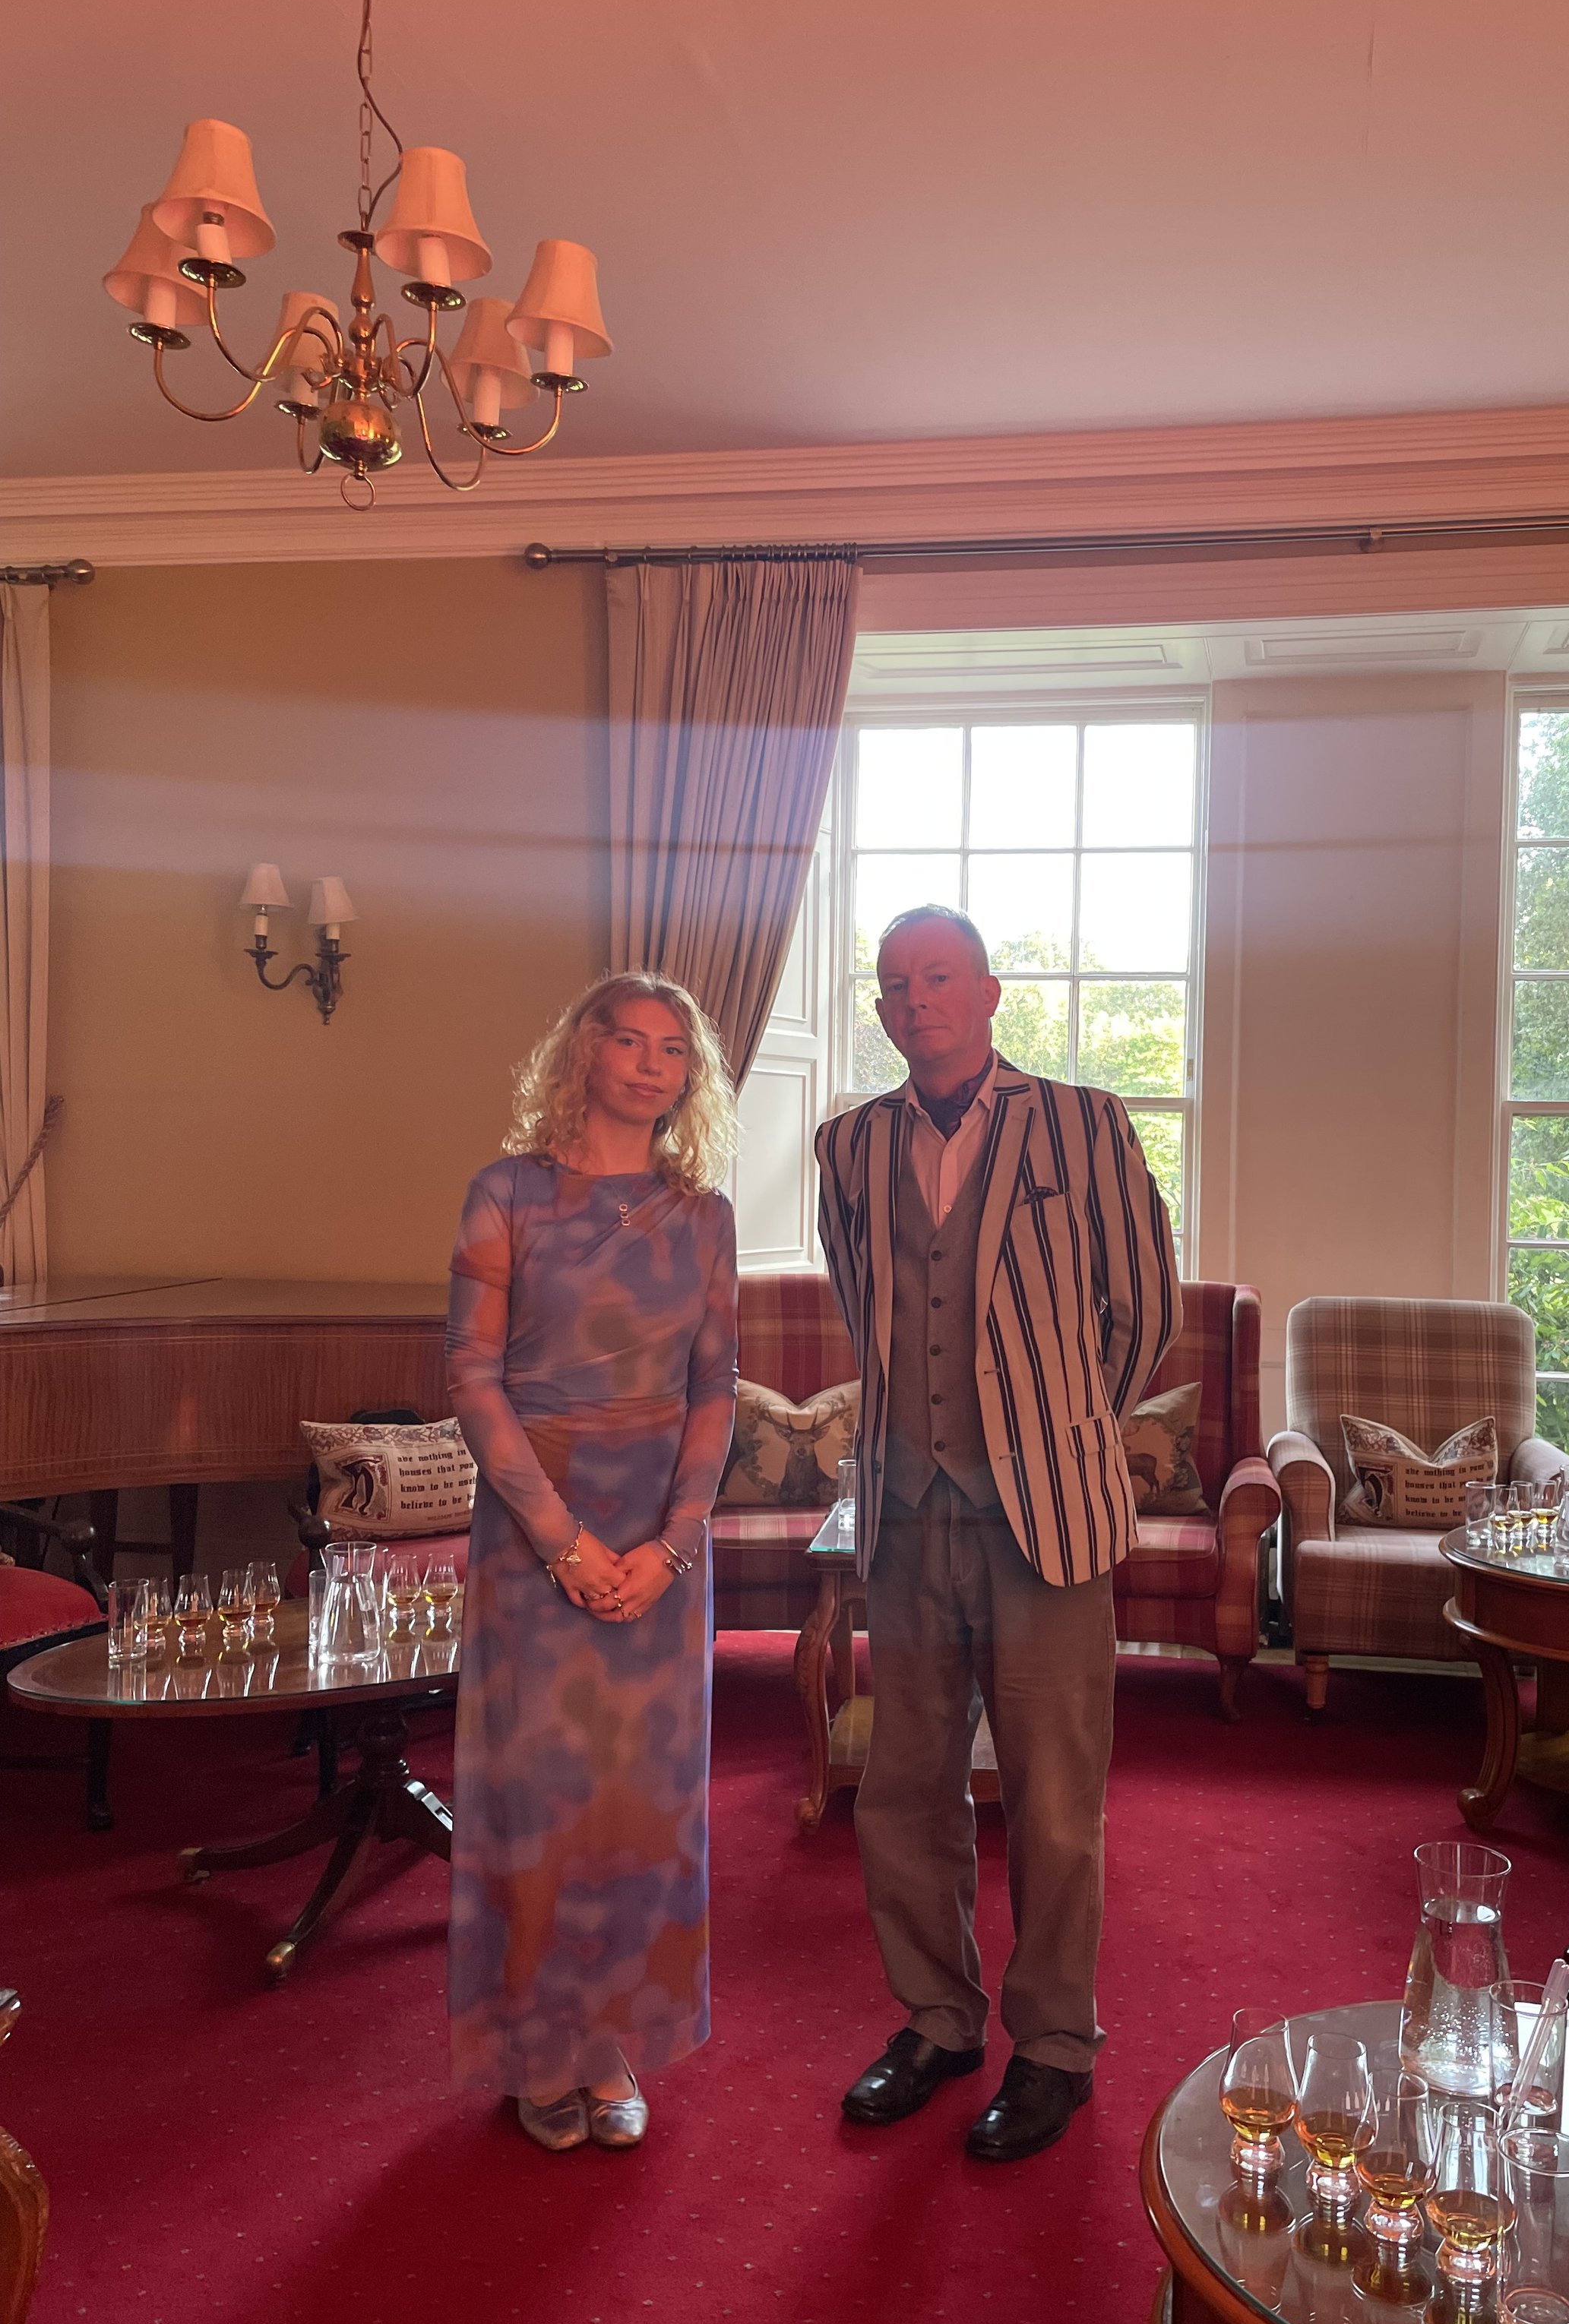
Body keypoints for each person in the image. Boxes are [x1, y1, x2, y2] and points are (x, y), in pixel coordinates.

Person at [815, 906, 1180, 2162]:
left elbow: (1143, 1308)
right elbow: (865, 1305)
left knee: (1053, 1798)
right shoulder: (849, 1144)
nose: (914, 999)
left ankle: (1056, 2046)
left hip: (1048, 1522)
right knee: (903, 1789)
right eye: (894, 984)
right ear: (881, 1009)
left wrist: (1062, 1425)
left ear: (987, 993)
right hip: (906, 1517)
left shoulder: (1084, 1122)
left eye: (938, 977)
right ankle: (937, 2018)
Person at [445, 971, 739, 2152]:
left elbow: (715, 1387)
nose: (652, 1061)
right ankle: (537, 2047)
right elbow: (471, 1376)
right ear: (584, 1053)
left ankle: (610, 2040)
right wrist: (561, 1538)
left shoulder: (703, 1215)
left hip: (662, 1543)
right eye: (629, 1038)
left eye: (673, 1047)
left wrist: (675, 1542)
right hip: (537, 1534)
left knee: (638, 1805)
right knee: (545, 1802)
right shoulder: (505, 1193)